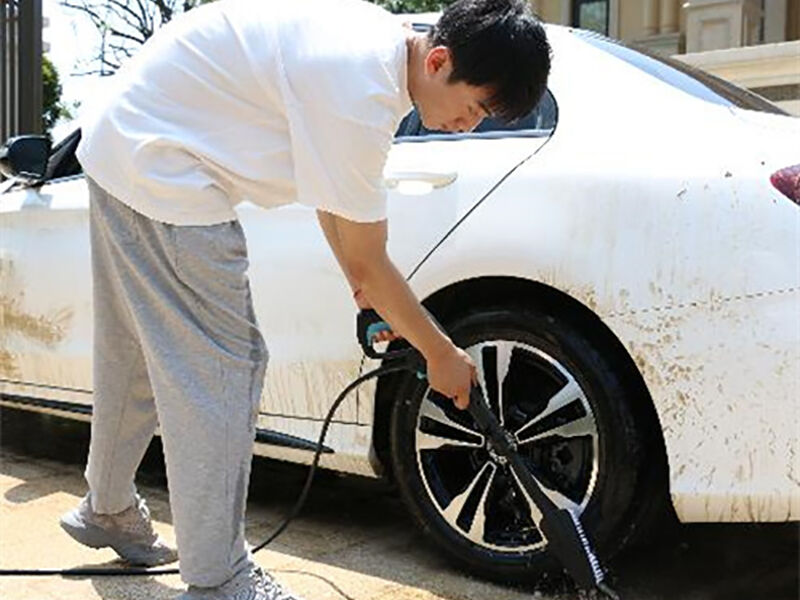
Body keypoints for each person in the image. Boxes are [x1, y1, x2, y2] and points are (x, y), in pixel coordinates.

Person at [58, 0, 551, 598]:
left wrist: (364, 291)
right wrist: (440, 352)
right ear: (441, 60)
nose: (468, 126)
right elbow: (369, 250)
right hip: (164, 166)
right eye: (474, 107)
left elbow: (335, 205)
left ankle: (106, 510)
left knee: (133, 350)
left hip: (122, 138)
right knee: (226, 366)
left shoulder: (381, 50)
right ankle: (219, 578)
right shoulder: (361, 92)